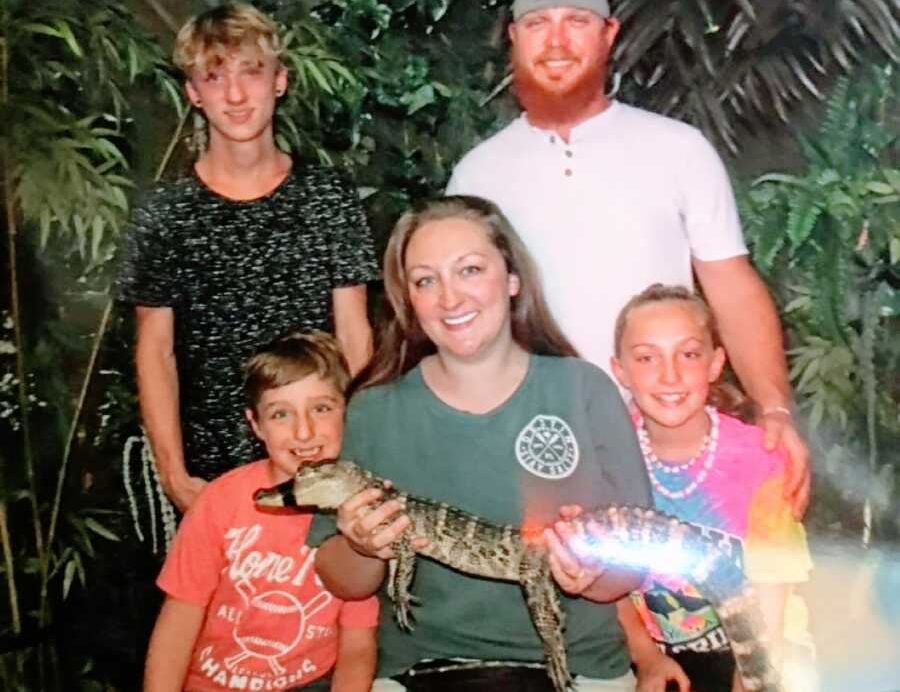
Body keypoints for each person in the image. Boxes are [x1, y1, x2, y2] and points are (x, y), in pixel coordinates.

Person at [446, 0, 811, 517]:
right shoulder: (476, 175)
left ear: (609, 33)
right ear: (514, 39)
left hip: (670, 440)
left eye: (578, 20)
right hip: (534, 444)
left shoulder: (678, 149)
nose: (557, 41)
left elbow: (731, 286)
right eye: (539, 24)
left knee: (697, 602)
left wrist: (775, 412)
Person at [311, 195, 653, 691]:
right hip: (423, 670)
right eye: (426, 280)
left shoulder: (584, 389)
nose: (450, 299)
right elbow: (341, 579)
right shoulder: (372, 411)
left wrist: (596, 571)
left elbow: (633, 566)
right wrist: (365, 546)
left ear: (512, 279)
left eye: (469, 270)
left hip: (577, 671)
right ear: (409, 299)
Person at [117, 3, 379, 511]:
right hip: (212, 476)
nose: (235, 95)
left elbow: (355, 335)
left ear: (279, 80)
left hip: (319, 463)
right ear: (193, 93)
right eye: (214, 78)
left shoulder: (328, 196)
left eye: (251, 72)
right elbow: (155, 351)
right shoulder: (164, 212)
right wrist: (174, 474)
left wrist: (363, 449)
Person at [143, 330, 378, 692]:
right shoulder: (220, 500)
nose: (304, 431)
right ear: (256, 425)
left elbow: (358, 646)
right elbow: (178, 620)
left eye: (321, 408)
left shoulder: (361, 510)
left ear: (348, 411)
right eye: (281, 414)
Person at [605, 284, 812, 691]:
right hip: (658, 653)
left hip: (766, 648)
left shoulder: (761, 458)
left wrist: (749, 678)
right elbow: (603, 575)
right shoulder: (606, 457)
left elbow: (774, 584)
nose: (670, 375)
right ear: (620, 371)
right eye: (647, 358)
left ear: (715, 363)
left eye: (689, 354)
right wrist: (646, 658)